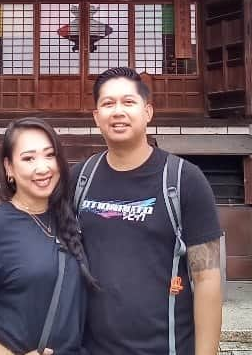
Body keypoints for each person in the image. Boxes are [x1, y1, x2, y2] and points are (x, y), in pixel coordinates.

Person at [73, 67, 223, 355]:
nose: (118, 112)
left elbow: (207, 278)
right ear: (96, 117)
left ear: (148, 112)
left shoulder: (183, 180)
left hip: (165, 347)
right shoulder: (80, 179)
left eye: (128, 102)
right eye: (108, 103)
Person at [0, 117, 93, 355]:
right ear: (9, 167)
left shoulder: (68, 218)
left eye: (49, 155)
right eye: (29, 158)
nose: (42, 168)